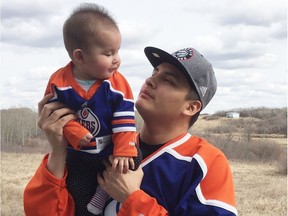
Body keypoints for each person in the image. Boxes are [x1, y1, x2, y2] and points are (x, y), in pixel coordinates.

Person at [24, 46, 238, 216]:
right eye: (155, 72)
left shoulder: (205, 163)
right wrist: (58, 150)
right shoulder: (105, 146)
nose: (150, 80)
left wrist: (132, 198)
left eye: (168, 80)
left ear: (191, 107)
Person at [43, 3, 140, 215]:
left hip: (111, 150)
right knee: (77, 190)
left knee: (132, 158)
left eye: (118, 51)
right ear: (79, 56)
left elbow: (124, 118)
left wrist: (123, 150)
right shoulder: (59, 83)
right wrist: (75, 133)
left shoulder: (116, 83)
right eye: (108, 53)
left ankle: (103, 193)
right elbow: (53, 113)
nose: (117, 60)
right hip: (78, 153)